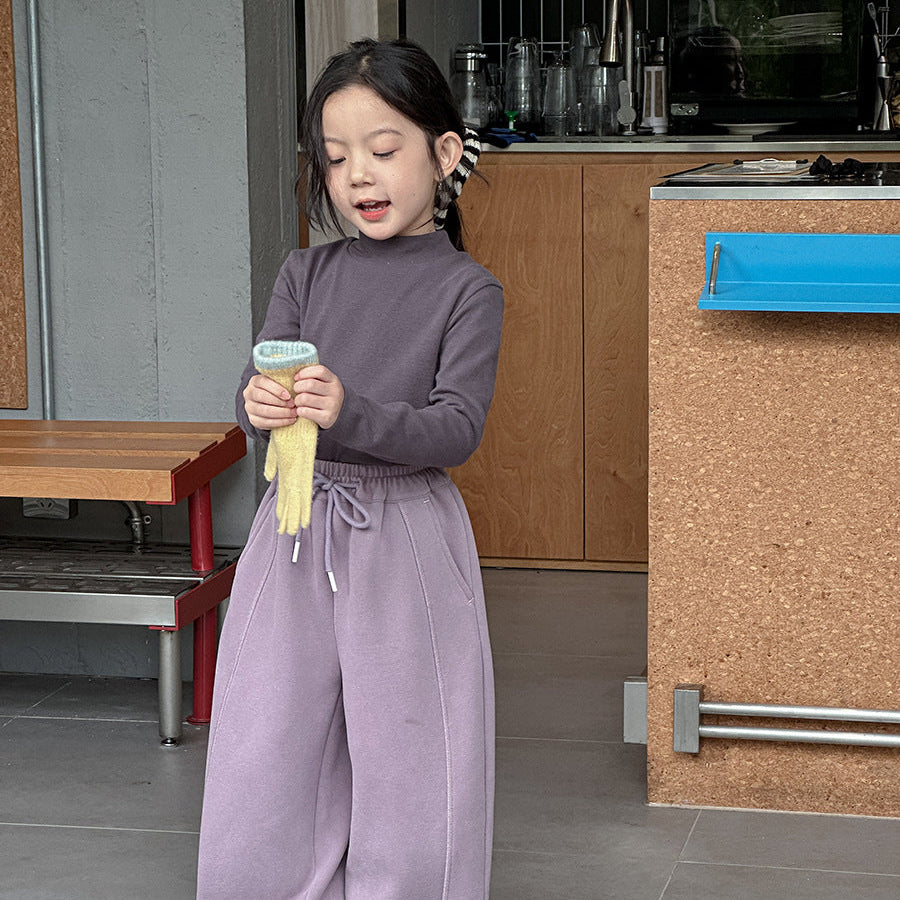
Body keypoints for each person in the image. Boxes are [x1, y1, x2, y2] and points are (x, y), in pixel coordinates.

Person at [196, 37, 503, 900]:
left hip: (405, 533)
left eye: (383, 149)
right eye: (335, 158)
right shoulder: (305, 272)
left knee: (412, 745)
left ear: (444, 153)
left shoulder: (468, 291)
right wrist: (257, 406)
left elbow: (456, 429)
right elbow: (262, 387)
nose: (358, 175)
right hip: (294, 521)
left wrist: (350, 410)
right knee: (267, 731)